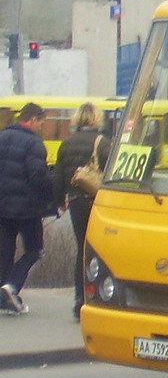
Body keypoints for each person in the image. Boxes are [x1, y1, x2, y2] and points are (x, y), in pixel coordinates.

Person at [52, 102, 112, 319]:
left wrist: (59, 200)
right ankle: (97, 296)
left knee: (82, 250)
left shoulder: (66, 143)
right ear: (97, 119)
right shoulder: (103, 143)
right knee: (99, 251)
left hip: (76, 201)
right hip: (98, 202)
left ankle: (79, 299)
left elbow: (58, 176)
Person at [0, 103, 54, 315]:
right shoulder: (34, 144)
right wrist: (54, 193)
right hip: (26, 209)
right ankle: (12, 286)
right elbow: (38, 177)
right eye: (41, 122)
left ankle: (3, 297)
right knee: (34, 249)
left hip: (2, 207)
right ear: (32, 119)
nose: (42, 126)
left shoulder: (2, 137)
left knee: (5, 252)